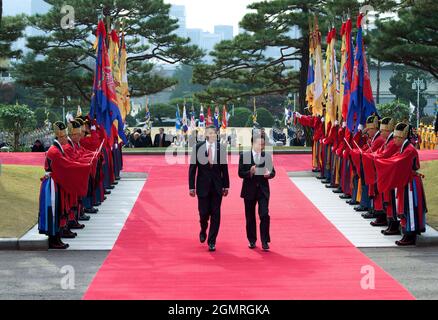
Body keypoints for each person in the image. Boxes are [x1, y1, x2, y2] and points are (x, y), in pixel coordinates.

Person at [375, 123, 427, 246]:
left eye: (396, 138)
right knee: (405, 208)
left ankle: (410, 234)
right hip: (406, 181)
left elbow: (396, 162)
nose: (394, 139)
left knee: (409, 208)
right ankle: (407, 233)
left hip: (411, 184)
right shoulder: (404, 148)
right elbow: (395, 158)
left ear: (402, 138)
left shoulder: (409, 150)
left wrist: (380, 161)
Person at [189, 125, 230, 252]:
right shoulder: (197, 148)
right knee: (203, 213)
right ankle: (203, 228)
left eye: (214, 133)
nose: (212, 135)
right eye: (210, 133)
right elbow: (192, 169)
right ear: (206, 134)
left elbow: (224, 169)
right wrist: (191, 187)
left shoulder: (221, 148)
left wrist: (226, 185)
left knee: (216, 214)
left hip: (217, 187)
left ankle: (212, 241)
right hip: (202, 187)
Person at [238, 130, 276, 251]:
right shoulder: (244, 156)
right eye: (259, 144)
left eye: (263, 145)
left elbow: (273, 172)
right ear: (253, 144)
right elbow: (240, 173)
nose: (261, 146)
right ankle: (252, 240)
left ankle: (265, 241)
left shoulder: (267, 156)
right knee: (250, 217)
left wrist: (269, 174)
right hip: (249, 190)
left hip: (263, 191)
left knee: (264, 214)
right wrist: (250, 172)